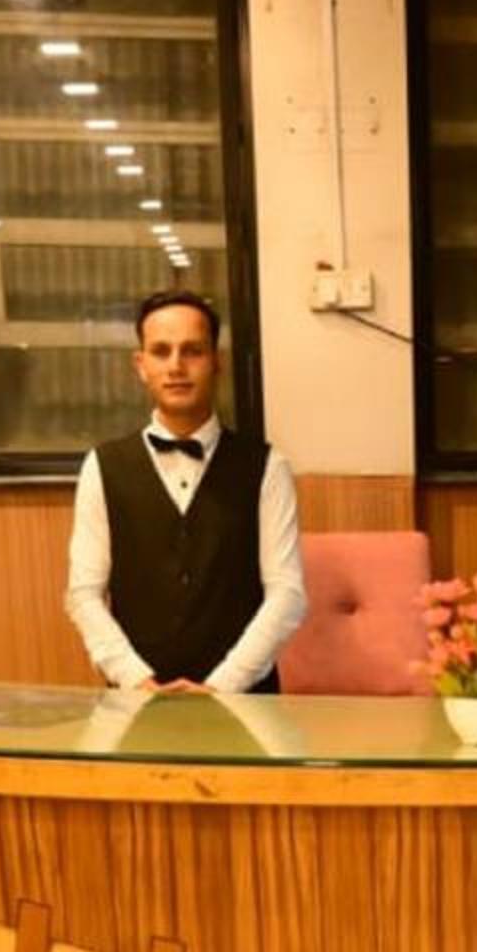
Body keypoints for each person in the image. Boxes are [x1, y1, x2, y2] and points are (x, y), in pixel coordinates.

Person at [63, 289, 306, 693]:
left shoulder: (268, 467)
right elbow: (83, 594)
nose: (176, 366)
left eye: (192, 351)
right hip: (137, 700)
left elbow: (287, 593)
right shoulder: (102, 467)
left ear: (216, 362)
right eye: (161, 351)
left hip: (245, 701)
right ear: (141, 365)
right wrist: (135, 680)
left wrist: (224, 685)